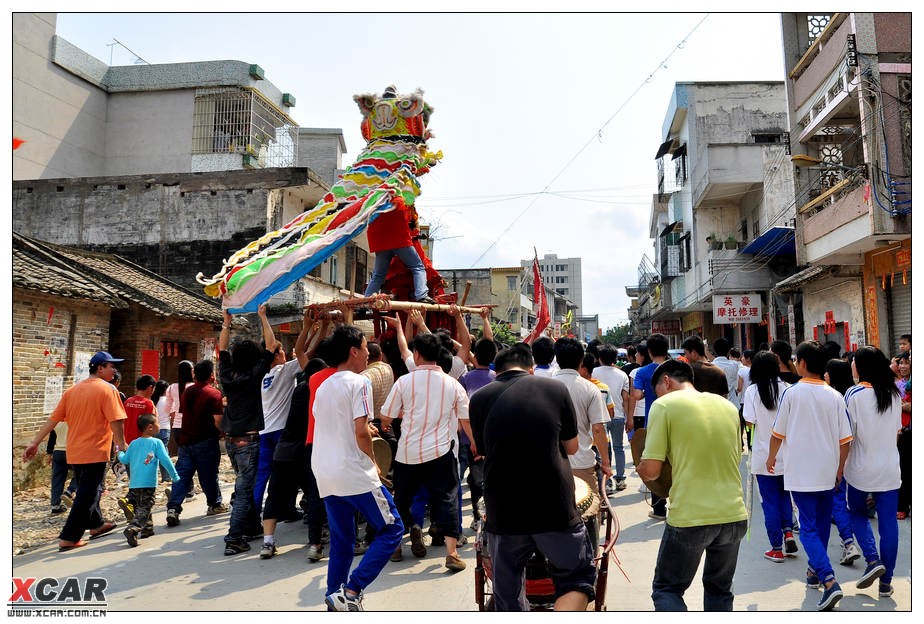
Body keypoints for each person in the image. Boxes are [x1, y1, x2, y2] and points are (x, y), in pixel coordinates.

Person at [469, 343, 595, 611]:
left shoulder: (479, 399)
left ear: (496, 372)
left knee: (508, 592)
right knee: (576, 580)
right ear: (531, 368)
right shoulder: (555, 389)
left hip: (503, 510)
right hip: (554, 505)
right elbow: (572, 448)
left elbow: (483, 452)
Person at [638, 359, 748, 611]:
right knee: (720, 591)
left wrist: (642, 468)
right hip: (734, 515)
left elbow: (652, 470)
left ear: (666, 381)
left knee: (667, 589)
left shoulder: (664, 405)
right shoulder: (727, 406)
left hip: (691, 517)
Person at [311, 325, 404, 611]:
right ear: (353, 351)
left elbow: (334, 425)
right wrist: (375, 464)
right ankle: (352, 590)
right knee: (392, 529)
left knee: (342, 540)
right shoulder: (358, 382)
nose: (368, 353)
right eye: (365, 347)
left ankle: (334, 599)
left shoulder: (324, 384)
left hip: (325, 471)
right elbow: (361, 432)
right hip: (353, 470)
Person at [766, 340, 853, 611]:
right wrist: (840, 468)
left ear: (801, 363)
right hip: (828, 470)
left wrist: (770, 458)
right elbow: (845, 440)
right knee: (822, 524)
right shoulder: (835, 396)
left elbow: (777, 433)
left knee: (808, 528)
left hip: (801, 471)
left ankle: (829, 581)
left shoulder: (792, 394)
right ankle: (815, 572)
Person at [380, 330, 470, 571]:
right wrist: (477, 444)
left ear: (417, 354)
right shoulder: (452, 384)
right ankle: (451, 553)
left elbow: (385, 416)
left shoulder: (404, 381)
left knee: (401, 499)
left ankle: (398, 544)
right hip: (441, 453)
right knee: (447, 499)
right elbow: (466, 419)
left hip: (407, 454)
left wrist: (396, 416)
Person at [22, 351, 127, 550]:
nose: (114, 370)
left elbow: (53, 420)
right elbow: (116, 420)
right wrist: (122, 444)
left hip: (74, 451)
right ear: (100, 368)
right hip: (95, 450)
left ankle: (96, 525)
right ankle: (69, 537)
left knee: (90, 488)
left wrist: (35, 442)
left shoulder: (72, 391)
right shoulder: (108, 389)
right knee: (86, 494)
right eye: (111, 366)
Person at [844, 346, 903, 598]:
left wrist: (837, 468)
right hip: (890, 467)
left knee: (856, 513)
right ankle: (886, 582)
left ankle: (872, 559)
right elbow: (897, 432)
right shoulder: (895, 394)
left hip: (859, 468)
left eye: (854, 362)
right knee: (889, 523)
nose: (852, 366)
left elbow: (846, 436)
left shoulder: (854, 394)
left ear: (861, 366)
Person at [218, 304, 276, 555]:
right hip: (249, 439)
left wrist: (226, 323)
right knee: (243, 490)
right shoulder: (255, 377)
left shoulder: (227, 376)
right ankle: (234, 538)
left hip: (231, 439)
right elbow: (271, 345)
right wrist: (263, 317)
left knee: (246, 484)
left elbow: (221, 349)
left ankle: (251, 525)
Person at [260, 356, 328, 560]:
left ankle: (268, 542)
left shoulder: (299, 390)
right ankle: (315, 544)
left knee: (274, 495)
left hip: (284, 449)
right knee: (315, 496)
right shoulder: (320, 391)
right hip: (307, 450)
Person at [742, 351, 796, 562]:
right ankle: (789, 532)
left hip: (764, 455)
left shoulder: (752, 391)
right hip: (787, 454)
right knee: (785, 497)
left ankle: (776, 547)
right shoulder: (788, 389)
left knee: (769, 501)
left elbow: (749, 421)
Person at [254, 312, 311, 515]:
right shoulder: (284, 371)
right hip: (281, 431)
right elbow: (306, 353)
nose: (285, 354)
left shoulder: (260, 376)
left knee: (262, 475)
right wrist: (313, 329)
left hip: (264, 432)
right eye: (282, 352)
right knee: (292, 470)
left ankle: (254, 512)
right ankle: (289, 507)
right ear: (276, 355)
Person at [165, 359, 229, 528]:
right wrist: (223, 433)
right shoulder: (213, 394)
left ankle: (173, 508)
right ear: (211, 375)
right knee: (208, 475)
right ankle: (214, 504)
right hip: (205, 440)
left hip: (186, 440)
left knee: (182, 475)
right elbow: (217, 420)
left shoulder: (187, 392)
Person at [551, 338, 612, 494]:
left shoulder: (544, 385)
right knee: (588, 510)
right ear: (581, 360)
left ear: (557, 359)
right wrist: (606, 462)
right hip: (582, 462)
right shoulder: (590, 388)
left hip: (551, 463)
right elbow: (598, 429)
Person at [117, 413, 180, 546]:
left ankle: (147, 529)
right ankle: (132, 528)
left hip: (134, 483)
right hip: (148, 483)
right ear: (150, 427)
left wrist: (119, 452)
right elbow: (165, 460)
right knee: (145, 506)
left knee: (140, 505)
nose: (159, 425)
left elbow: (124, 459)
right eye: (158, 423)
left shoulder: (133, 443)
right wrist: (174, 476)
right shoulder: (157, 442)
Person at [823, 358, 863, 566]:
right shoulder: (852, 394)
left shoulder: (836, 398)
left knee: (838, 502)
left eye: (827, 373)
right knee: (849, 504)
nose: (824, 376)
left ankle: (849, 543)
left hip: (839, 458)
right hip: (856, 458)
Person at [362, 193, 434, 304]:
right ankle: (421, 295)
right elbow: (413, 226)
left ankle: (366, 301)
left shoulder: (374, 202)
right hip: (401, 242)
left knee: (378, 275)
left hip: (381, 245)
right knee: (418, 267)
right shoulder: (402, 201)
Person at [458, 331, 496, 528]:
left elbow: (461, 410)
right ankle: (487, 515)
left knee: (474, 481)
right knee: (489, 479)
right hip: (492, 439)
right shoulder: (497, 378)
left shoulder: (465, 379)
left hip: (467, 437)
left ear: (475, 356)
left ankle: (476, 516)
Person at [630, 333, 669, 520]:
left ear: (650, 352)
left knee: (657, 464)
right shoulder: (677, 368)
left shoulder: (643, 372)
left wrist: (647, 393)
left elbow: (636, 395)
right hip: (677, 421)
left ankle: (660, 509)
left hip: (653, 423)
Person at [592, 344, 630, 493]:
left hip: (600, 416)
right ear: (615, 358)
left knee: (603, 449)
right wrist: (628, 417)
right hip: (619, 415)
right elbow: (625, 398)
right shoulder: (622, 375)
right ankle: (620, 479)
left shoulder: (593, 372)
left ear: (600, 358)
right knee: (618, 447)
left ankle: (606, 482)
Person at [165, 360, 195, 462]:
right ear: (191, 371)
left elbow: (167, 408)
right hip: (193, 426)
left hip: (177, 427)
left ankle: (182, 476)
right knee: (193, 456)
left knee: (183, 455)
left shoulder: (172, 387)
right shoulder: (195, 388)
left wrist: (174, 415)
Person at [894, 352, 911, 520]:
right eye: (901, 363)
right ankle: (903, 506)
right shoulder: (897, 385)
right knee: (904, 470)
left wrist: (905, 406)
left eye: (906, 362)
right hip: (903, 432)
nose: (903, 366)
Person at [48, 422, 78, 514]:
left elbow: (52, 437)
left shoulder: (57, 420)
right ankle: (70, 491)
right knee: (81, 473)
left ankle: (55, 506)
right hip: (73, 451)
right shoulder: (76, 418)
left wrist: (49, 453)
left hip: (58, 452)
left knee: (57, 479)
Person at [710, 337, 741, 408]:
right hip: (733, 403)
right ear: (729, 351)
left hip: (717, 405)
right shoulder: (734, 364)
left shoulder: (710, 366)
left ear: (714, 351)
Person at [151, 380, 172, 482]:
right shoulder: (167, 401)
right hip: (164, 429)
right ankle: (166, 477)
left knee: (154, 453)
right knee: (163, 454)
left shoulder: (153, 401)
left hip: (154, 430)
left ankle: (152, 476)